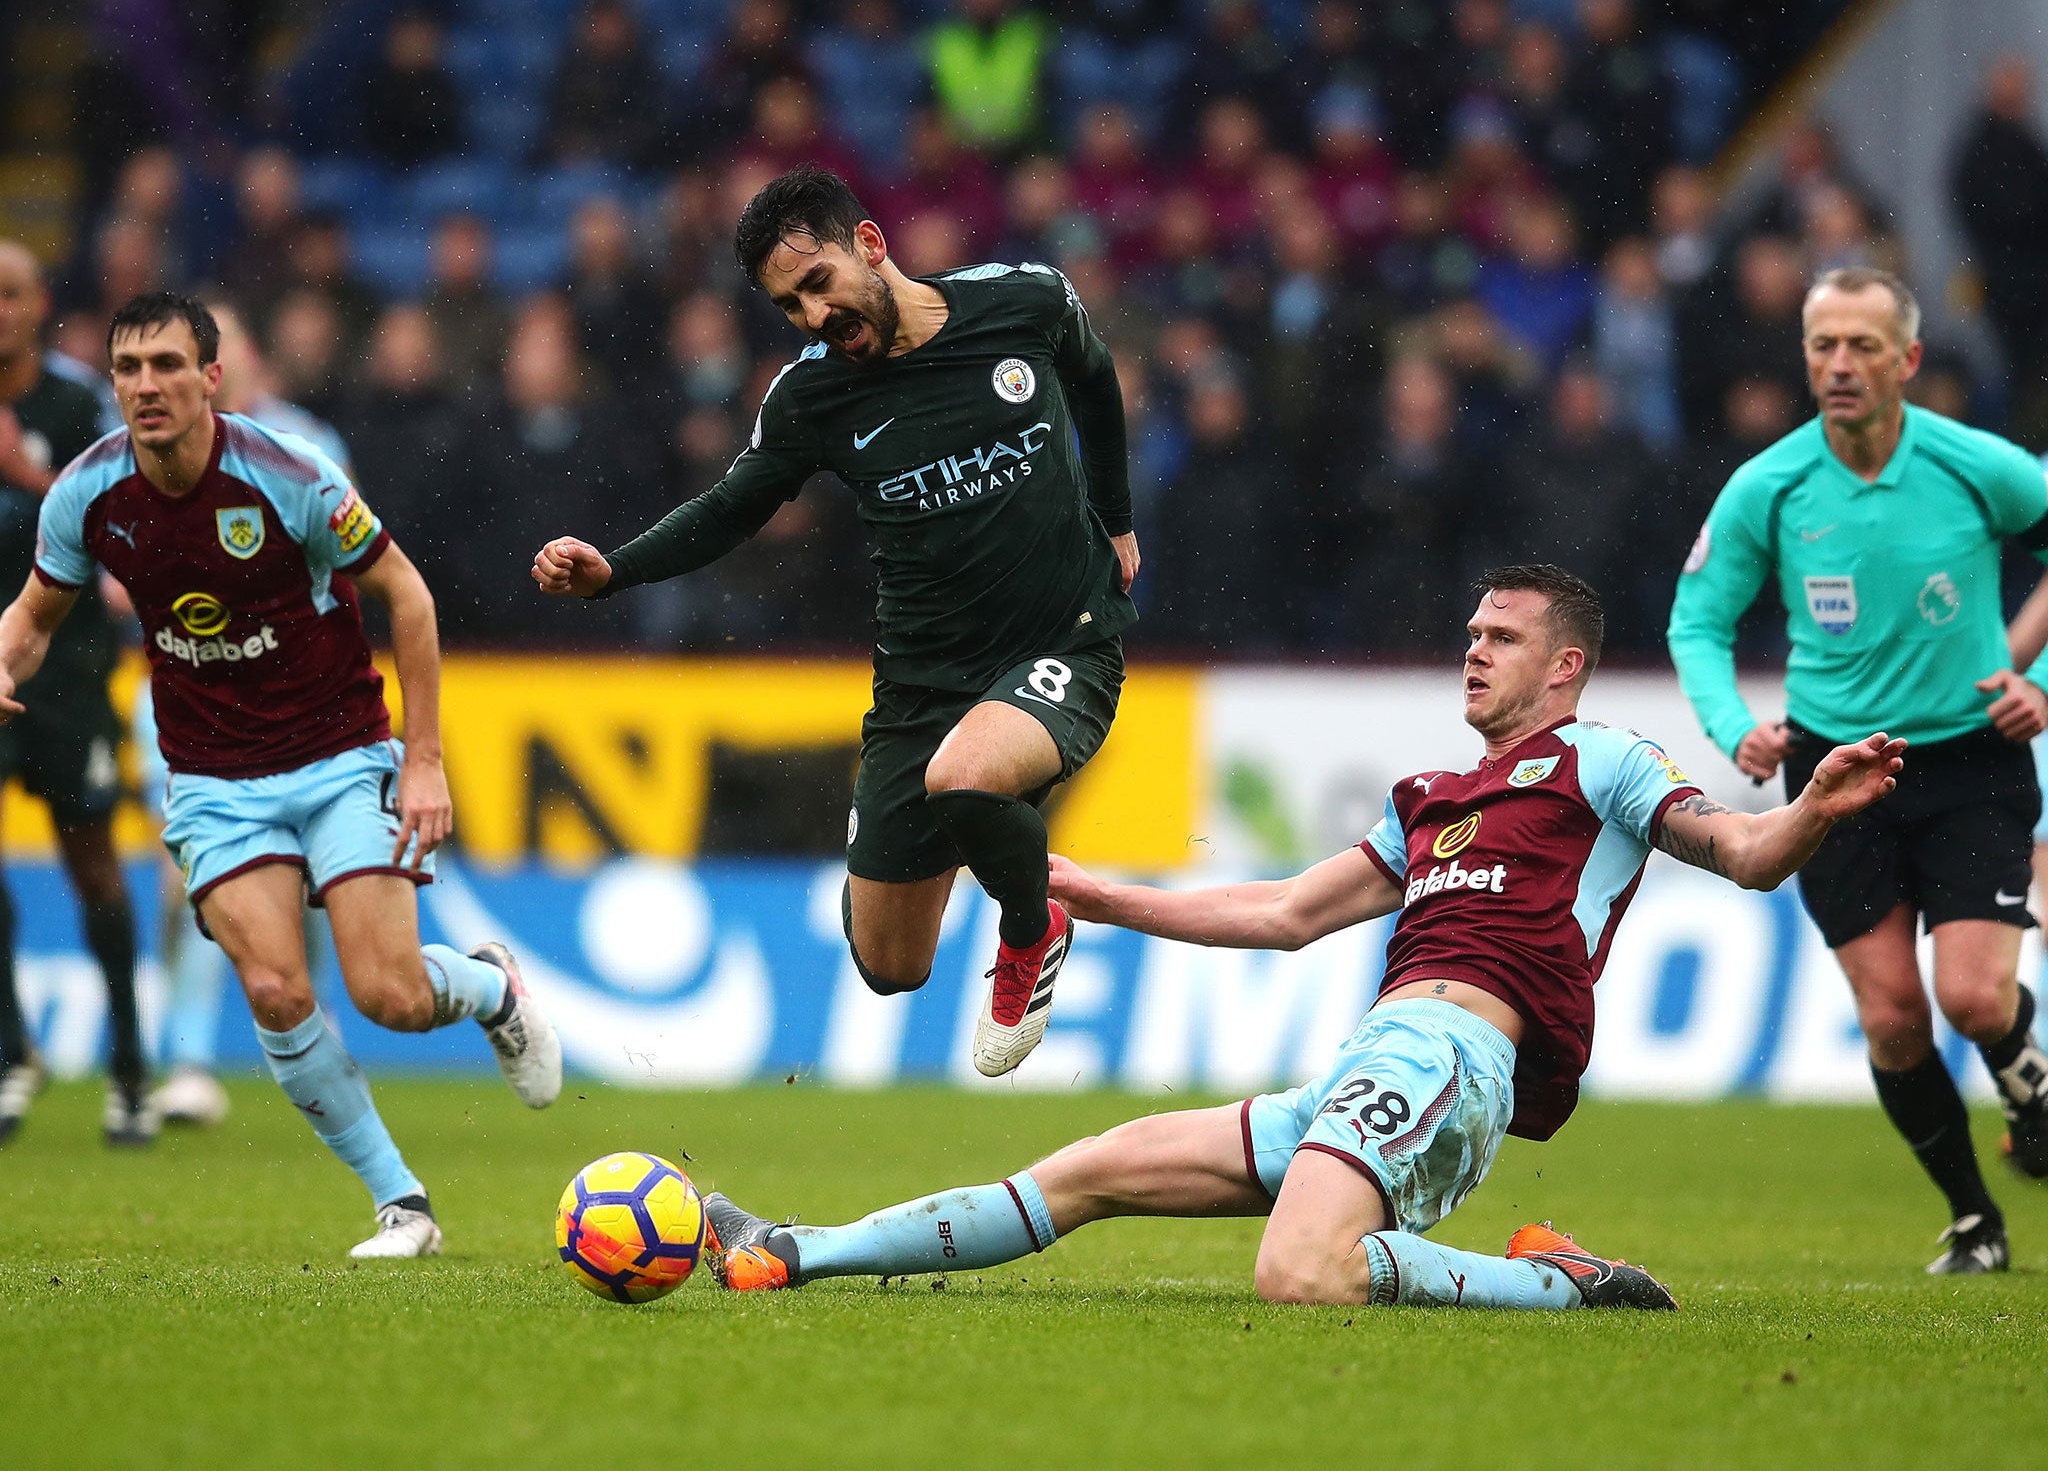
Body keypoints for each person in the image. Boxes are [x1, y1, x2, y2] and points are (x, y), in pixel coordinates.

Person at [702, 565, 1905, 1306]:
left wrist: (1807, 808)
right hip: (1365, 1066)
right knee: (1086, 1173)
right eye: (1470, 632)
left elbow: (1744, 856)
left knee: (1299, 1276)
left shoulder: (1600, 761)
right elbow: (1283, 914)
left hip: (1451, 1060)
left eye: (1500, 636)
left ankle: (1552, 1287)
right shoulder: (1429, 795)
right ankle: (794, 1253)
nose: (1472, 649)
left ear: (1565, 665)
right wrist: (1095, 894)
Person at [534, 166, 1138, 1078]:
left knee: (966, 778)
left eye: (817, 285)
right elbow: (731, 508)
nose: (813, 316)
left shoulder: (1025, 303)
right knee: (890, 963)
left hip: (1066, 638)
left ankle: (1030, 928)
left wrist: (1119, 518)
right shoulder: (811, 398)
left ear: (870, 244)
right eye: (789, 306)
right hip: (920, 687)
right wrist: (615, 570)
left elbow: (1095, 380)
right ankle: (995, 848)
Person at [0, 292, 563, 1257]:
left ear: (211, 378)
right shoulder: (86, 494)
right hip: (214, 779)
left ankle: (487, 990)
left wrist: (422, 761)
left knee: (388, 993)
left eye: (168, 366)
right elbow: (33, 615)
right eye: (129, 369)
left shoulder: (285, 472)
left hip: (340, 752)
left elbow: (409, 596)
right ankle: (402, 1205)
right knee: (273, 989)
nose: (147, 387)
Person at [1668, 266, 2048, 1275]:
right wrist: (1730, 723)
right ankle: (1973, 1218)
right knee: (1889, 1016)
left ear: (1906, 360)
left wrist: (2037, 679)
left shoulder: (1975, 465)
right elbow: (1696, 618)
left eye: (1860, 346)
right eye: (1821, 346)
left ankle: (2026, 1084)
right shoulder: (1770, 484)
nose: (1837, 365)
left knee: (1970, 998)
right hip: (1834, 778)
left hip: (1968, 760)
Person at [144, 296, 353, 1127]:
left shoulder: (308, 446)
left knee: (312, 878)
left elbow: (347, 559)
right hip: (188, 684)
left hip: (298, 694)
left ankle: (322, 1022)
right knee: (193, 880)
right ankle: (188, 1059)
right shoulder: (145, 457)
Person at [0, 240, 153, 1146]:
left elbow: (131, 510)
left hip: (70, 667)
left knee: (90, 861)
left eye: (9, 294)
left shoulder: (82, 407)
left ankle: (129, 1065)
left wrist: (27, 474)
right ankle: (13, 1051)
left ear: (37, 305)